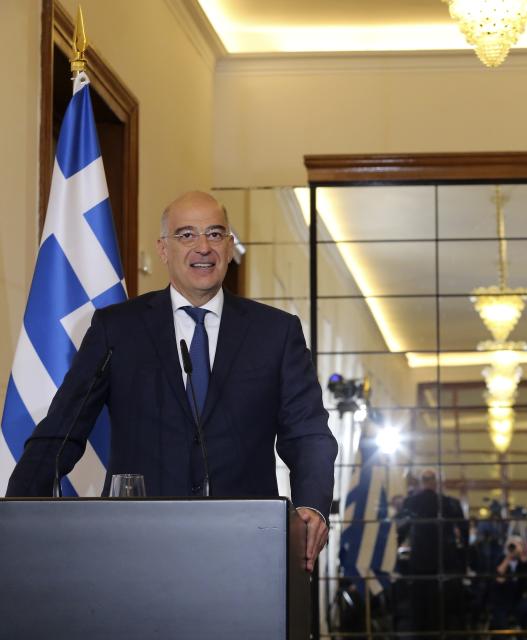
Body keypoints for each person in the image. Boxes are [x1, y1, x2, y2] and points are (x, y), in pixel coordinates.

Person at [6, 191, 338, 571]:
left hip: (248, 548)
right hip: (138, 547)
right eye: (186, 235)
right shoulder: (118, 329)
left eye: (215, 234)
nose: (203, 247)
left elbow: (307, 432)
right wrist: (16, 517)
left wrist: (312, 504)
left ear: (230, 248)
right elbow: (63, 428)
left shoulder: (276, 332)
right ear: (163, 249)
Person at [397, 468, 469, 635]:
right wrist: (463, 565)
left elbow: (400, 532)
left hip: (420, 565)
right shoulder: (451, 503)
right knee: (442, 613)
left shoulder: (411, 503)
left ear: (422, 482)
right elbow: (464, 534)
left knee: (420, 612)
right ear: (438, 483)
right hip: (445, 565)